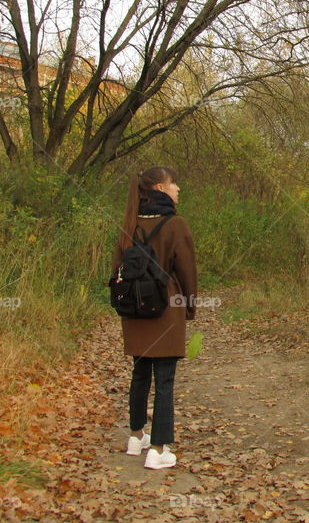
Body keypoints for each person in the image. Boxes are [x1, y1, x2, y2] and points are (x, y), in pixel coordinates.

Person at [109, 166, 197, 470]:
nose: (178, 189)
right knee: (165, 379)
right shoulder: (176, 225)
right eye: (175, 184)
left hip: (134, 310)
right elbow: (186, 271)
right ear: (160, 188)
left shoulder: (129, 224)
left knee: (140, 373)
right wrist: (190, 305)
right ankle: (159, 450)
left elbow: (115, 272)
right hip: (165, 309)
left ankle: (136, 437)